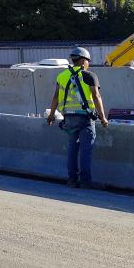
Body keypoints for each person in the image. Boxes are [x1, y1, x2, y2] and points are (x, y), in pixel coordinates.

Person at [46, 47, 109, 188]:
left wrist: (51, 115)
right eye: (88, 61)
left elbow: (56, 96)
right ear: (82, 61)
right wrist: (103, 118)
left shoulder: (62, 76)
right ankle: (86, 182)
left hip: (68, 118)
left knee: (72, 149)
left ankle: (72, 180)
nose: (89, 64)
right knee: (86, 150)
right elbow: (96, 96)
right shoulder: (90, 76)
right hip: (85, 118)